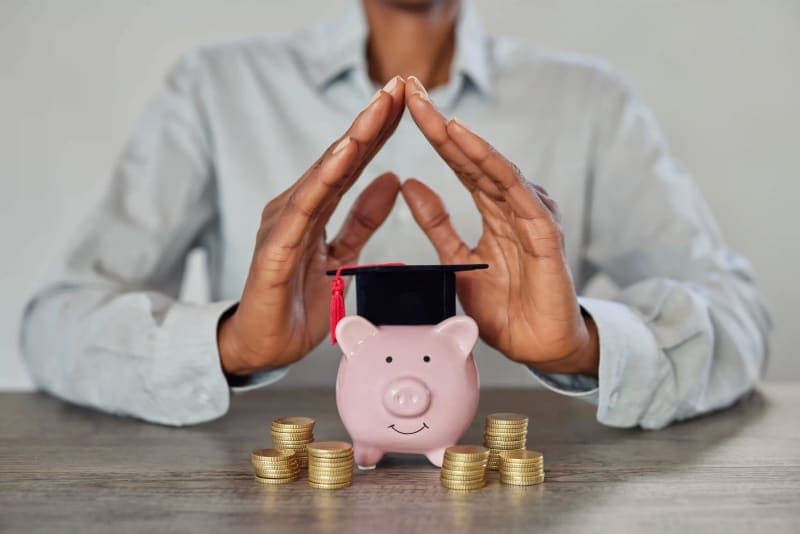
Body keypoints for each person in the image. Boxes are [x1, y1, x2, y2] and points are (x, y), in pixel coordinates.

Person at [20, 0, 770, 428]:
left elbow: (738, 314)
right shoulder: (216, 87)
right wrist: (228, 345)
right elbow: (55, 322)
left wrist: (584, 346)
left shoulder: (589, 101)